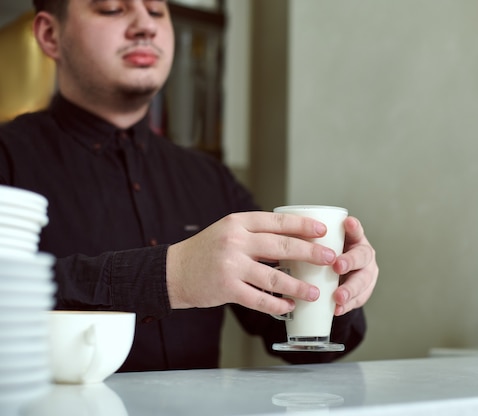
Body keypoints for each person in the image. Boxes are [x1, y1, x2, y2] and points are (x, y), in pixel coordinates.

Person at [0, 0, 378, 371]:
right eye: (113, 9)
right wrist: (170, 276)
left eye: (156, 10)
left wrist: (336, 289)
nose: (144, 26)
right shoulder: (8, 157)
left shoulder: (211, 180)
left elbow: (305, 350)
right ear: (50, 35)